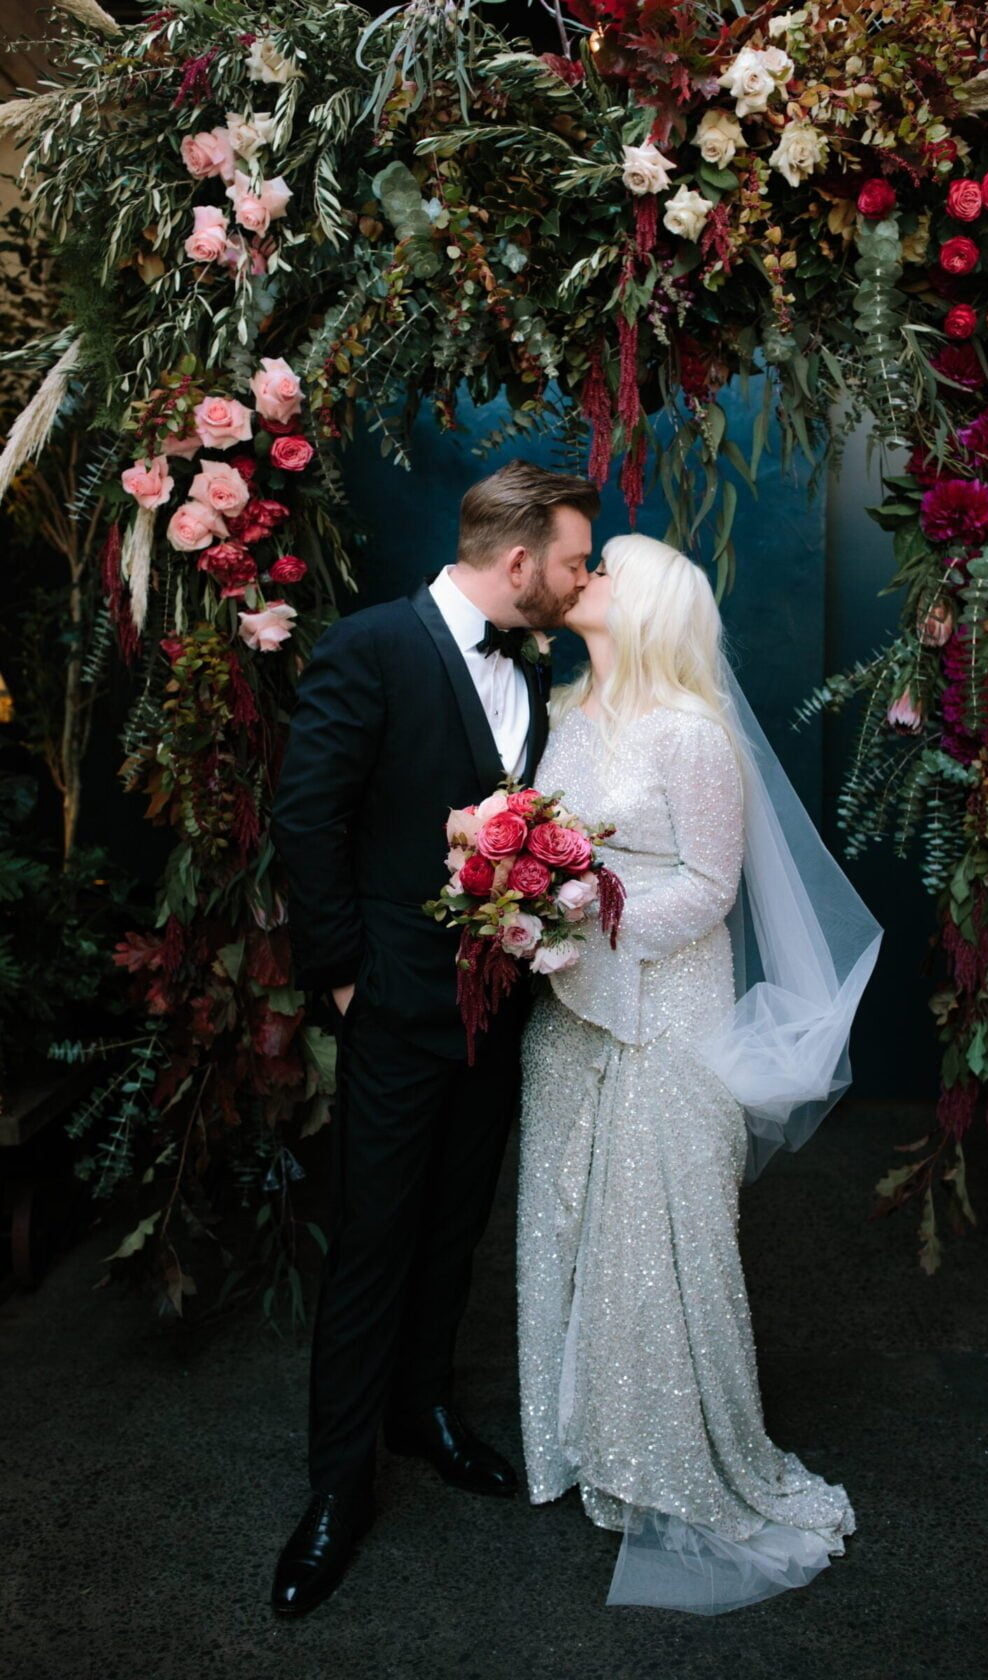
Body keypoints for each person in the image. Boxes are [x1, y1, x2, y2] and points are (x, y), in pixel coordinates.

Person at [517, 534, 883, 1614]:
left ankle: (676, 1454)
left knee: (662, 1232)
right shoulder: (562, 713)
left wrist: (581, 914)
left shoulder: (692, 733)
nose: (585, 577)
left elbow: (709, 888)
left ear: (649, 607)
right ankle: (578, 1442)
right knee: (564, 1217)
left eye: (606, 569)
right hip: (568, 1015)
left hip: (666, 1013)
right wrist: (523, 902)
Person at [269, 459, 600, 1617]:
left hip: (499, 1008)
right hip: (394, 1009)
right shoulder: (370, 648)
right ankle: (335, 1487)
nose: (580, 580)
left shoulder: (534, 663)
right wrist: (342, 983)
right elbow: (308, 816)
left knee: (456, 1222)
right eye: (571, 562)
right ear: (518, 561)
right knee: (373, 1241)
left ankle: (424, 1410)